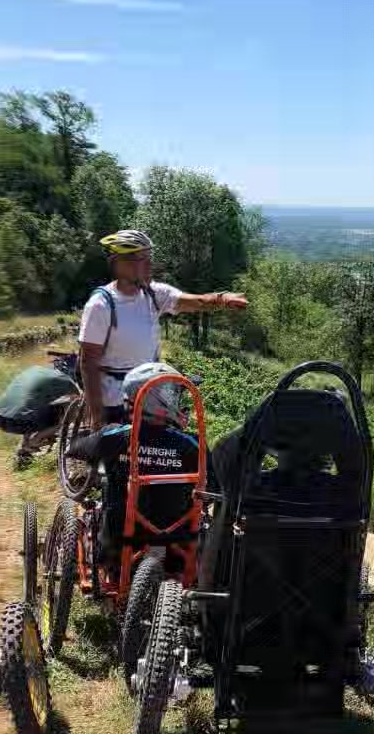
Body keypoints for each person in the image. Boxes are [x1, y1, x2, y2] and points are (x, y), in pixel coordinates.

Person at [78, 228, 248, 429]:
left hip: (149, 393)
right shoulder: (101, 305)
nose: (150, 265)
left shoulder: (153, 294)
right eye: (142, 259)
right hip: (114, 398)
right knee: (118, 455)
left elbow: (197, 302)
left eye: (150, 257)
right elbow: (88, 363)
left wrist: (222, 299)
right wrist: (97, 416)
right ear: (119, 263)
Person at [65, 362, 211, 560]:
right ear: (160, 400)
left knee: (108, 484)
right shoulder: (193, 444)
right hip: (177, 553)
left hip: (117, 548)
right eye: (174, 395)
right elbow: (215, 488)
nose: (179, 403)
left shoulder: (114, 435)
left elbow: (73, 450)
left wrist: (85, 438)